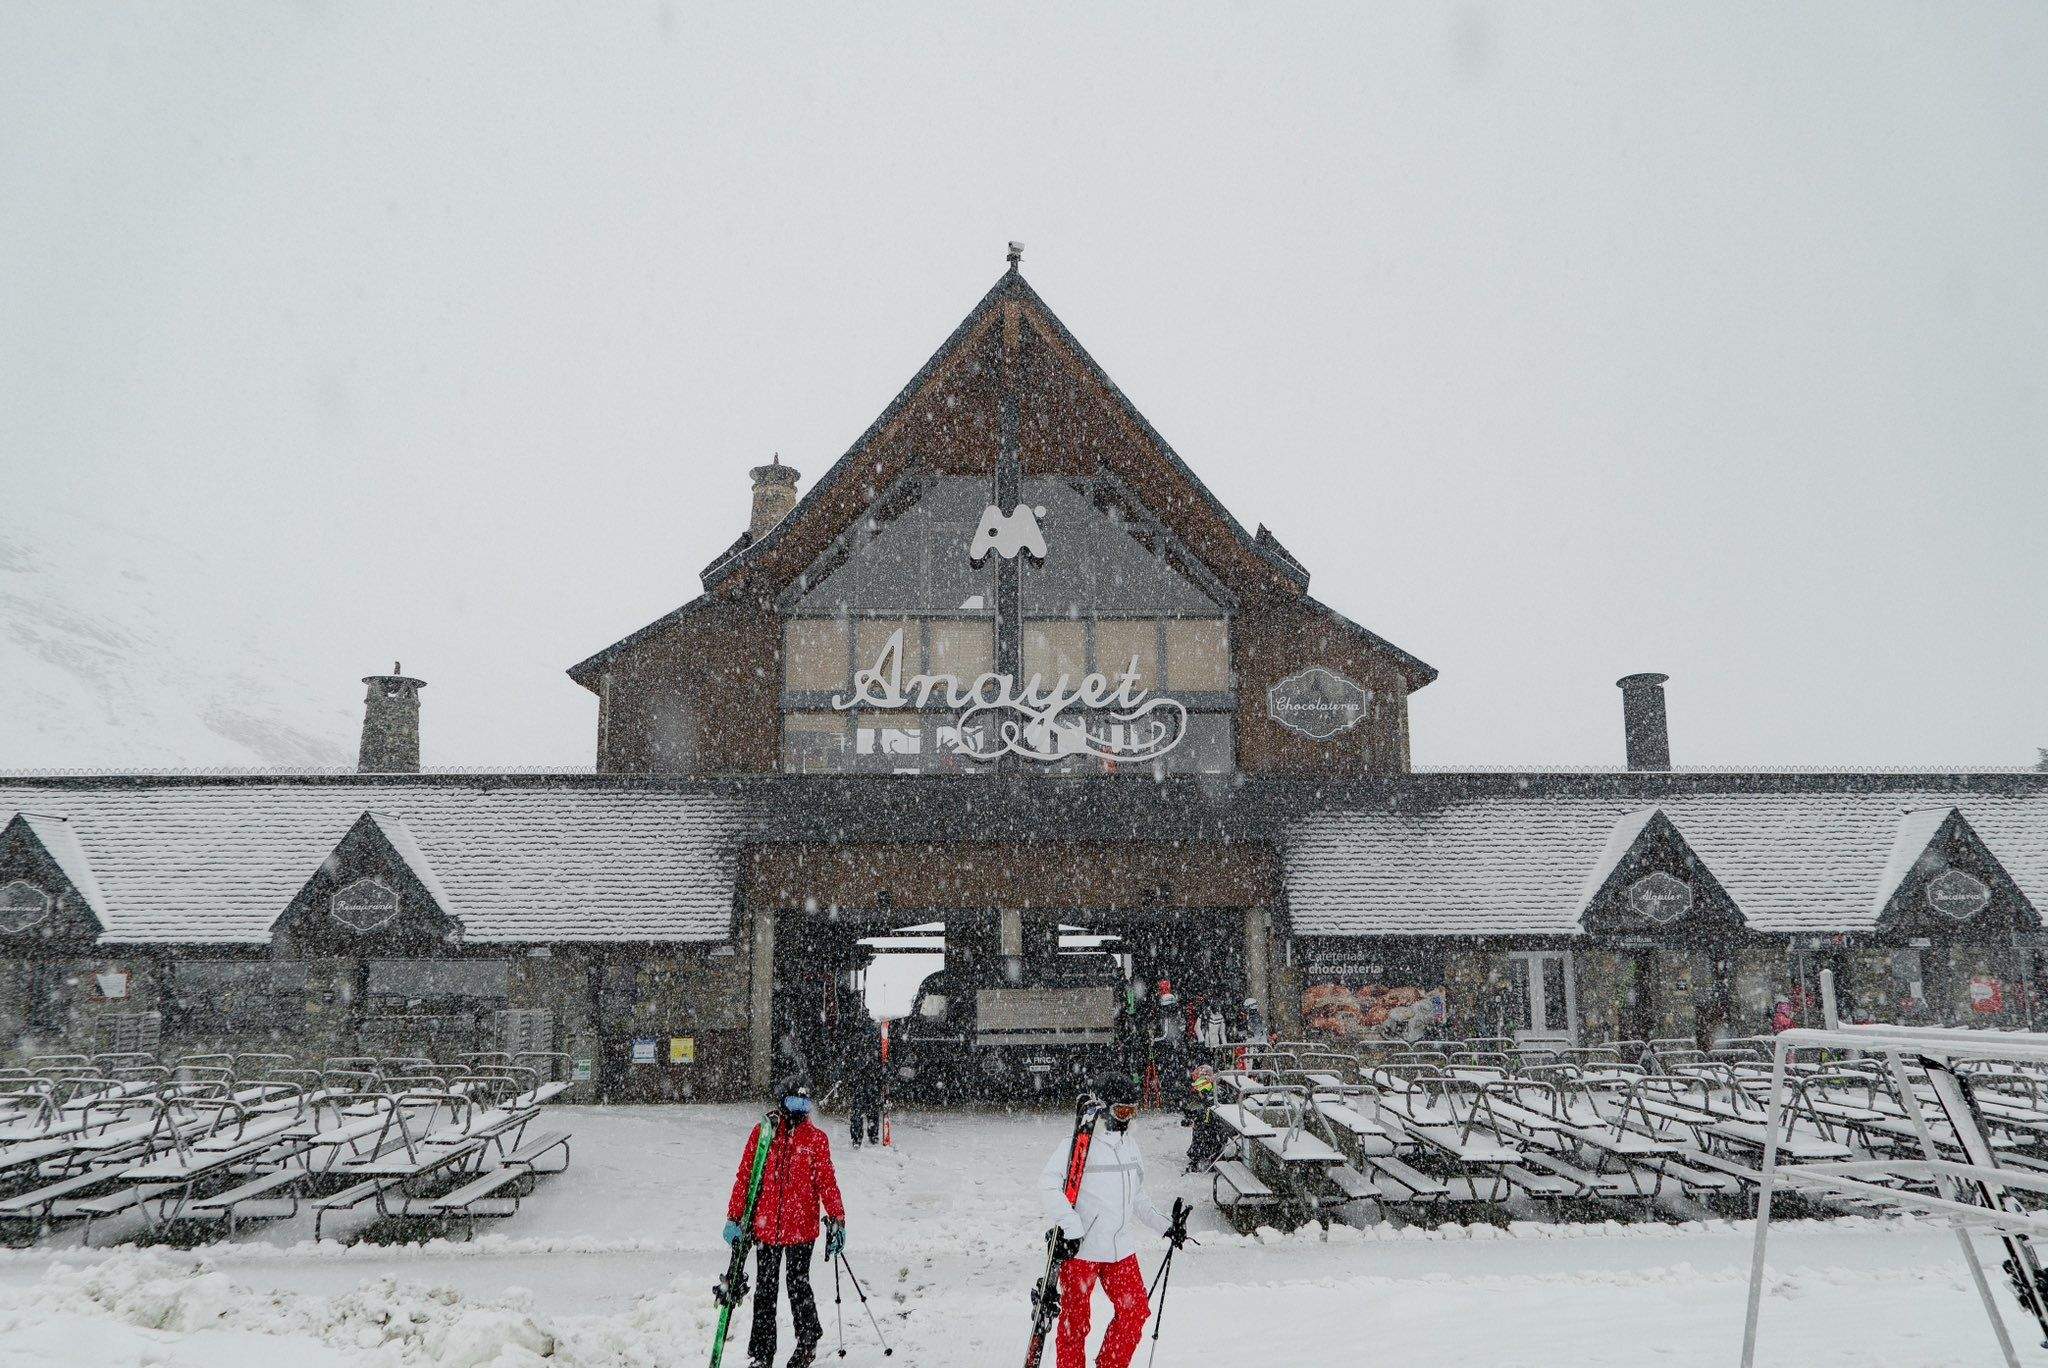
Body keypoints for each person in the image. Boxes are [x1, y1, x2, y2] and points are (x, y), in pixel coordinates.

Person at [1039, 1075, 1188, 1368]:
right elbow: (1047, 1185)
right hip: (1082, 1250)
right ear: (1105, 1109)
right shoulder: (1079, 1144)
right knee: (1075, 1325)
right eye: (1122, 1112)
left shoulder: (1130, 1147)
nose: (1127, 1119)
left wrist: (1167, 1227)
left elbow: (1138, 1198)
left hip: (1120, 1249)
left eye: (1133, 1111)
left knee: (1135, 1312)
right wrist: (1071, 1227)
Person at [724, 1078, 846, 1368]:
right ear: (782, 1101)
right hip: (765, 1228)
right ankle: (762, 1353)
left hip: (802, 1228)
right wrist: (734, 1217)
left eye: (805, 1103)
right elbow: (745, 1177)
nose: (800, 1109)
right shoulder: (763, 1134)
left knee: (797, 1284)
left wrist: (838, 1218)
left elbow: (827, 1183)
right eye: (794, 1102)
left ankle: (807, 1342)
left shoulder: (816, 1140)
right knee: (765, 1290)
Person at [845, 1013, 885, 1148]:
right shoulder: (870, 1039)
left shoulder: (862, 1039)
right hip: (865, 1079)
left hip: (867, 1079)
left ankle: (861, 1136)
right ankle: (868, 1135)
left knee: (862, 1110)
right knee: (867, 1109)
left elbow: (848, 1059)